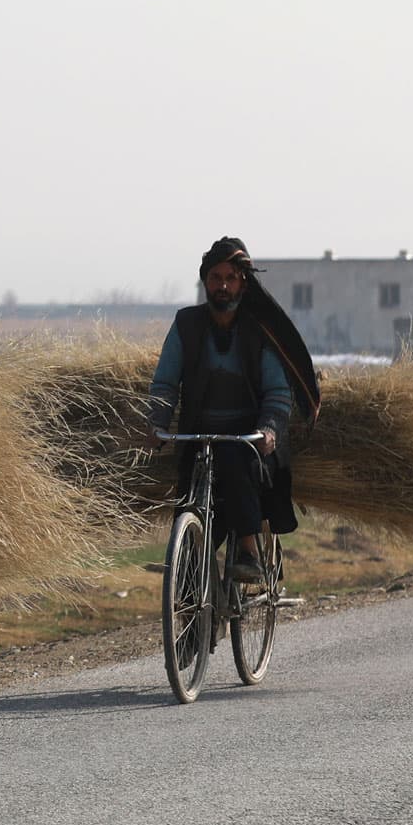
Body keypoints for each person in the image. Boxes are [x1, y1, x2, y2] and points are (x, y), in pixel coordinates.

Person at [147, 236, 322, 580]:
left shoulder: (260, 331)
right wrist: (157, 421)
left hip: (250, 438)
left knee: (233, 464)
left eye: (230, 278)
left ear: (243, 282)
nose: (223, 286)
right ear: (205, 281)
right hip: (198, 434)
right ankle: (192, 605)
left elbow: (276, 392)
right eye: (216, 278)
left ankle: (248, 551)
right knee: (188, 522)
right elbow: (165, 384)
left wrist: (270, 428)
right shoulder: (186, 324)